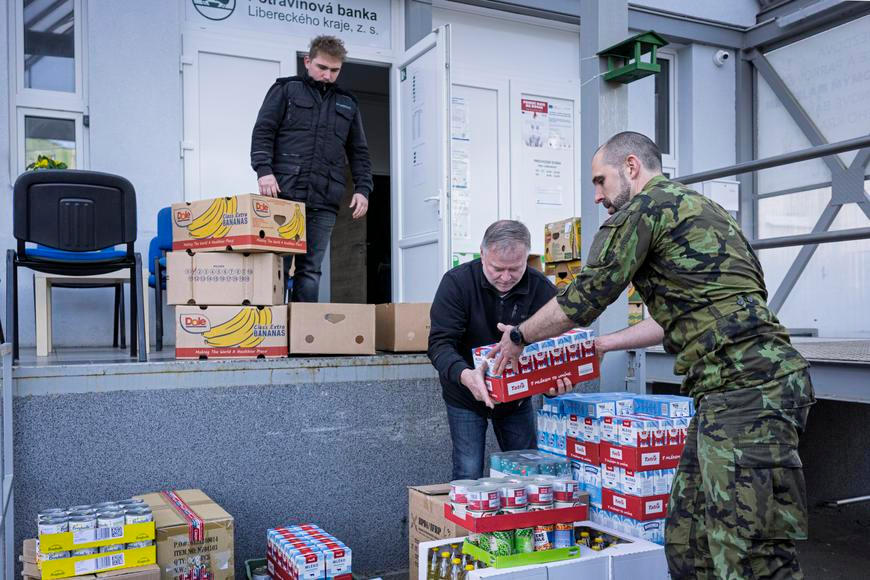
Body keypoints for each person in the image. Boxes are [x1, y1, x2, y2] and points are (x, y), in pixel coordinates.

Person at [489, 132, 815, 579]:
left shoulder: (643, 210)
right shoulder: (706, 211)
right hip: (727, 393)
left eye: (600, 181)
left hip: (748, 392)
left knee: (750, 553)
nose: (598, 195)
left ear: (630, 166)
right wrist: (602, 344)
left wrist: (519, 337)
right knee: (689, 539)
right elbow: (678, 317)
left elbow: (583, 297)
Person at [428, 221, 556, 480]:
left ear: (527, 258)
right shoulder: (457, 283)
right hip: (465, 393)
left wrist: (553, 382)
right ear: (482, 254)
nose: (505, 278)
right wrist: (465, 375)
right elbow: (439, 344)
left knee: (527, 472)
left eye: (515, 269)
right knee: (468, 470)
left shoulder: (541, 289)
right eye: (497, 269)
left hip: (517, 397)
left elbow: (556, 343)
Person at [250, 35, 373, 302]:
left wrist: (363, 189)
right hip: (282, 193)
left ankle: (303, 328)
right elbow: (263, 131)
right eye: (322, 67)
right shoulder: (286, 90)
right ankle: (273, 325)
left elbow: (359, 152)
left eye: (334, 70)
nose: (328, 75)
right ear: (308, 61)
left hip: (324, 198)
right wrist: (264, 170)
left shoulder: (348, 103)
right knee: (277, 265)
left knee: (310, 271)